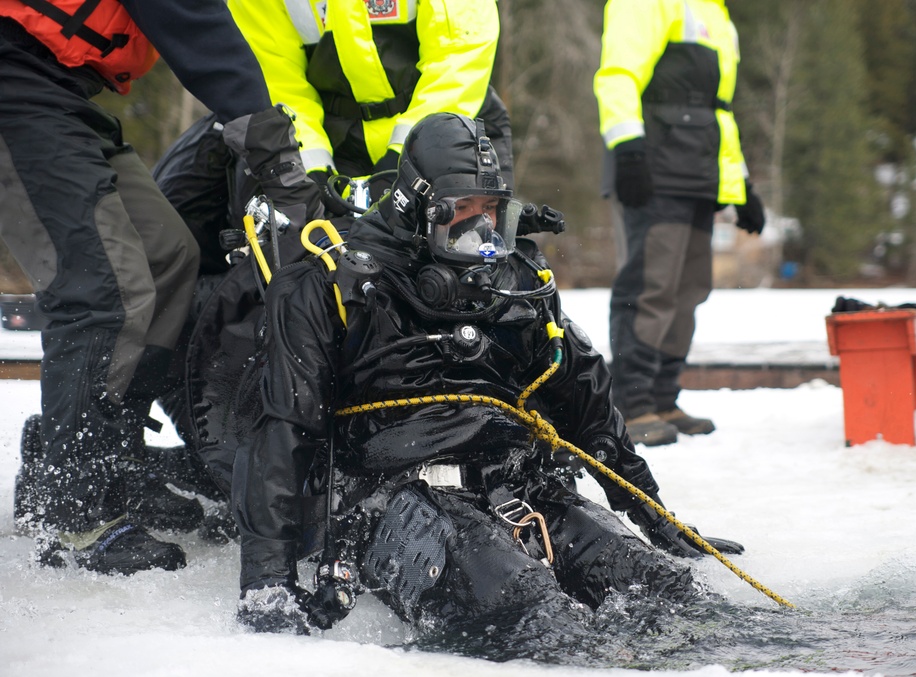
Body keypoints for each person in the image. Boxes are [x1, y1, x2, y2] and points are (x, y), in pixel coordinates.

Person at [222, 112, 743, 636]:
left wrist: (655, 517)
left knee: (671, 597)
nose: (478, 229)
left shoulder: (515, 282)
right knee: (539, 621)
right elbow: (283, 428)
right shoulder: (328, 286)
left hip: (521, 486)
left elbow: (585, 392)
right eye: (461, 211)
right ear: (416, 204)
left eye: (488, 210)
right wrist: (267, 578)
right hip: (395, 501)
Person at [1, 0, 324, 575]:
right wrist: (267, 137)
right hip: (14, 78)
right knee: (103, 291)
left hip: (65, 90)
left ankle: (110, 462)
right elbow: (191, 20)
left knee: (167, 258)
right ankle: (73, 509)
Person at [593, 0, 766, 446]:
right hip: (654, 168)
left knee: (688, 290)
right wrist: (627, 147)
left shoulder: (716, 14)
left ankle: (664, 397)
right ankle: (632, 405)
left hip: (699, 173)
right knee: (652, 285)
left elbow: (717, 112)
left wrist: (742, 183)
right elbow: (618, 76)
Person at [226, 0, 514, 207]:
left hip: (448, 129)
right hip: (333, 140)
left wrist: (407, 155)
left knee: (466, 259)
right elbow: (276, 78)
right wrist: (310, 170)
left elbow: (459, 56)